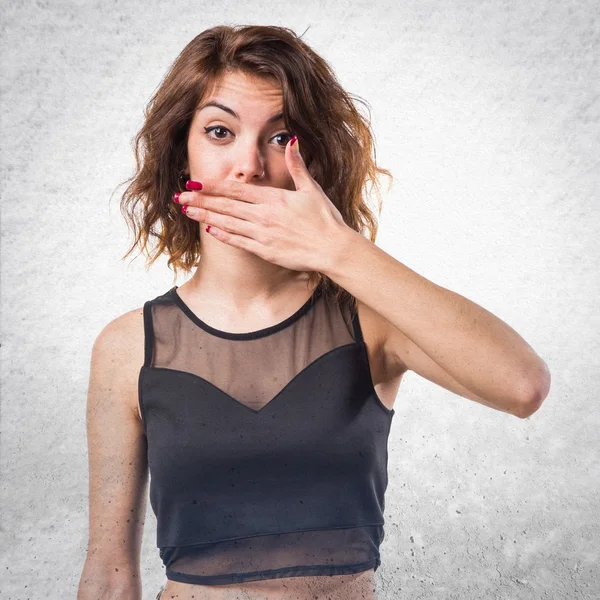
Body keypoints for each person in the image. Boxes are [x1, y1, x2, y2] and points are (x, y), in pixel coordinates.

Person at [77, 25, 551, 600]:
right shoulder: (129, 347)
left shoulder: (369, 322)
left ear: (316, 158)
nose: (248, 165)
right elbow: (108, 573)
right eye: (220, 132)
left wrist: (339, 249)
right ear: (183, 152)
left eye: (281, 139)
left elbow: (523, 386)